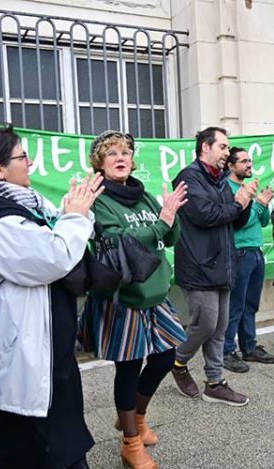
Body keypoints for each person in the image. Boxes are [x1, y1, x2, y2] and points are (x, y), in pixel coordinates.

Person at [0, 127, 101, 469]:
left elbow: (56, 235)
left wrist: (75, 212)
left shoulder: (16, 210)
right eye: (22, 157)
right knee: (35, 453)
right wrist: (75, 216)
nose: (31, 163)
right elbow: (53, 257)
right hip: (23, 366)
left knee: (58, 449)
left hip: (44, 357)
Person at [79, 131, 187, 469]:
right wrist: (160, 224)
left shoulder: (144, 196)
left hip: (154, 292)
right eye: (111, 153)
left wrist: (170, 216)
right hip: (122, 296)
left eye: (125, 151)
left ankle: (136, 418)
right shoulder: (97, 198)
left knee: (166, 356)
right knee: (128, 369)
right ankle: (130, 443)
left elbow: (168, 234)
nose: (120, 156)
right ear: (99, 162)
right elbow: (115, 239)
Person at [170, 126, 257, 406]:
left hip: (223, 264)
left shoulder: (219, 180)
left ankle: (215, 382)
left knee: (219, 328)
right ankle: (177, 362)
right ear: (205, 148)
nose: (227, 152)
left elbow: (231, 220)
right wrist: (237, 203)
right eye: (222, 147)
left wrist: (247, 202)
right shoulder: (189, 178)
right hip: (199, 266)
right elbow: (205, 215)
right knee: (205, 324)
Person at [222, 147, 274, 373]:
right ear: (231, 166)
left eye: (250, 160)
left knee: (251, 305)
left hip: (256, 253)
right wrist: (258, 205)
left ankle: (249, 346)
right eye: (243, 161)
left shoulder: (250, 187)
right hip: (240, 252)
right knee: (235, 305)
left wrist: (263, 205)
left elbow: (263, 222)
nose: (248, 165)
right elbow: (239, 221)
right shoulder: (228, 188)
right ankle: (226, 351)